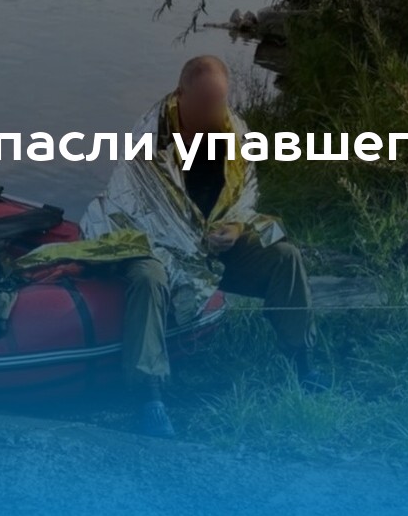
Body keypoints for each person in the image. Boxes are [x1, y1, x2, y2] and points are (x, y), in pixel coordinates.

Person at [80, 55, 323, 438]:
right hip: (149, 241)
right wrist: (193, 243)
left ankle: (303, 363)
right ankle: (149, 395)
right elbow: (146, 217)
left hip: (214, 244)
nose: (213, 114)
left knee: (284, 256)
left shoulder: (233, 131)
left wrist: (235, 228)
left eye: (219, 103)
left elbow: (245, 196)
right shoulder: (152, 139)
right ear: (181, 96)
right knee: (149, 277)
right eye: (204, 104)